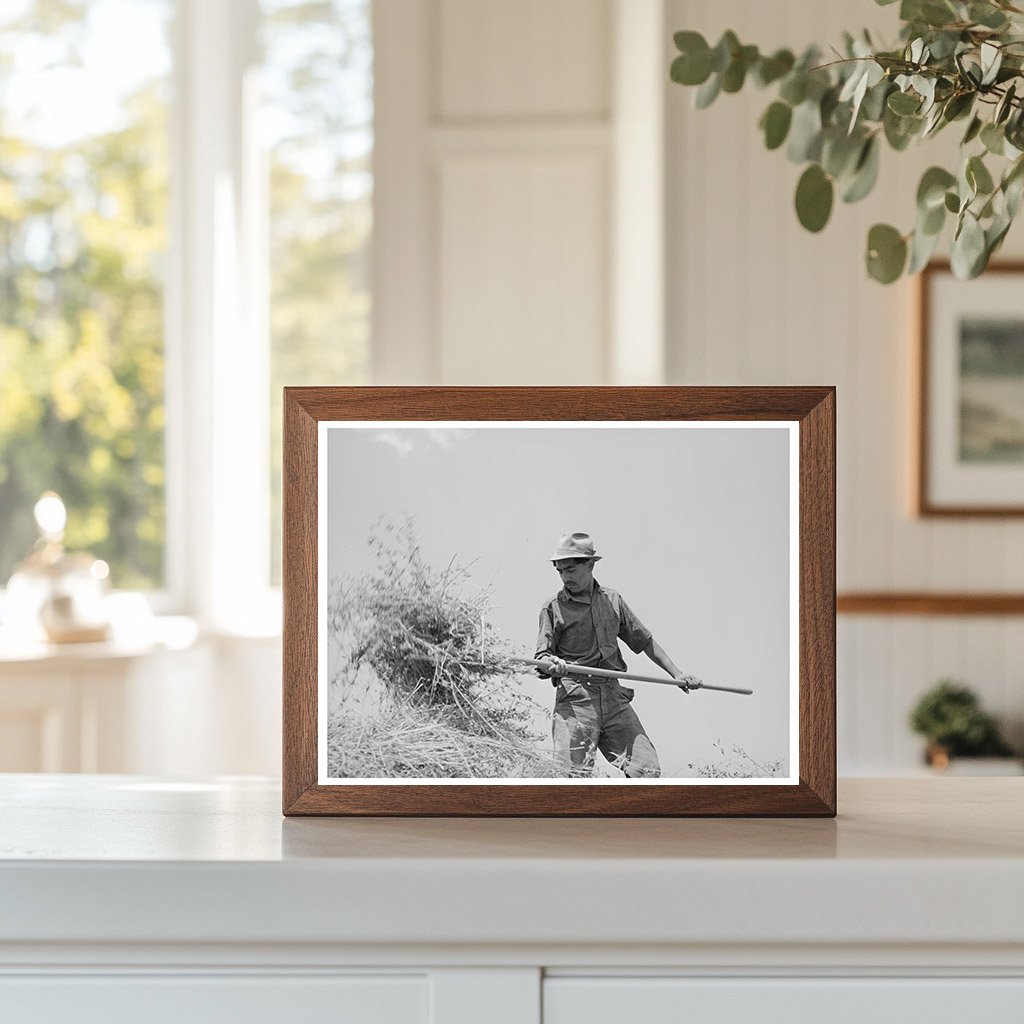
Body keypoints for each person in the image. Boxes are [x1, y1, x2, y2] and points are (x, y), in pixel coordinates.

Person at [534, 531, 701, 779]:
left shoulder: (612, 600)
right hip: (575, 700)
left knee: (647, 770)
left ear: (590, 565)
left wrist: (678, 674)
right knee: (570, 779)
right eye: (560, 571)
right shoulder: (553, 607)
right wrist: (552, 665)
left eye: (570, 570)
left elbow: (644, 640)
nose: (564, 577)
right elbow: (541, 658)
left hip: (613, 698)